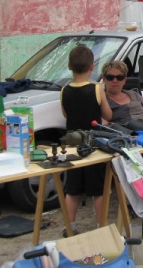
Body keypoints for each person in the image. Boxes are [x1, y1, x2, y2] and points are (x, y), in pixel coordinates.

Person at [60, 45, 113, 237]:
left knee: (72, 189)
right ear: (92, 66)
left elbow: (66, 114)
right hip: (93, 145)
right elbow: (107, 114)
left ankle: (70, 226)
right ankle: (100, 226)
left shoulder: (64, 90)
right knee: (98, 189)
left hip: (72, 146)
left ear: (69, 66)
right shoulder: (97, 89)